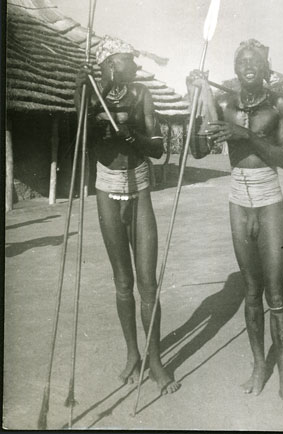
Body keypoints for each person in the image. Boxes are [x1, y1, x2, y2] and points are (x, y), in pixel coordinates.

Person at [186, 39, 283, 416]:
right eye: (242, 61)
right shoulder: (224, 104)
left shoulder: (280, 104)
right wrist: (194, 102)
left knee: (275, 293)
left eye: (255, 60)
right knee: (251, 290)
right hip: (238, 202)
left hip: (269, 201)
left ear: (266, 64)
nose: (248, 65)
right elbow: (199, 152)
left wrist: (246, 136)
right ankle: (259, 368)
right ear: (236, 69)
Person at [74, 36, 180, 395]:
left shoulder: (141, 95)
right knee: (123, 282)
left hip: (138, 186)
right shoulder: (92, 94)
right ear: (108, 65)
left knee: (147, 283)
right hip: (106, 187)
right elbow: (80, 135)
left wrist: (135, 138)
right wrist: (84, 89)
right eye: (124, 61)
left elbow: (158, 146)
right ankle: (133, 354)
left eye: (132, 61)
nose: (133, 66)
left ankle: (156, 361)